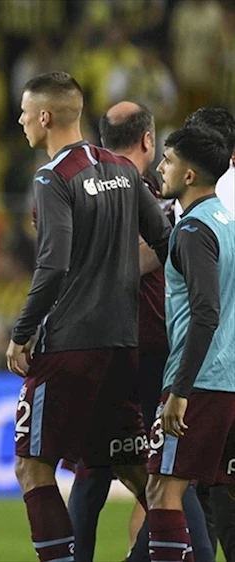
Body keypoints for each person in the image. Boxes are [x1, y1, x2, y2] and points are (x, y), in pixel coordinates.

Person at [6, 72, 172, 562]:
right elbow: (166, 241)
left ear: (44, 117)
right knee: (136, 471)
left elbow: (53, 264)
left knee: (32, 466)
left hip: (70, 345)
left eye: (24, 112)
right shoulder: (123, 170)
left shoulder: (51, 177)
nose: (20, 121)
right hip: (122, 346)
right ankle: (186, 550)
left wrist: (21, 332)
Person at [62, 102, 214, 562]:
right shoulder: (152, 192)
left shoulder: (71, 184)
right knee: (170, 473)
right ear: (148, 140)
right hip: (151, 350)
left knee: (96, 473)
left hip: (93, 345)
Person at [145, 125, 235, 562]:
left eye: (168, 160)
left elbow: (205, 313)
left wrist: (180, 391)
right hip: (228, 379)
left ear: (189, 174)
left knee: (163, 489)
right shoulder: (228, 223)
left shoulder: (194, 230)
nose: (160, 167)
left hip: (200, 382)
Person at [182, 106, 235, 562]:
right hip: (223, 365)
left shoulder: (207, 208)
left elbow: (205, 307)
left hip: (211, 368)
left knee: (181, 484)